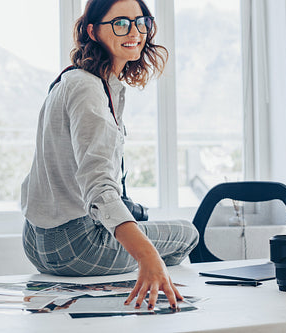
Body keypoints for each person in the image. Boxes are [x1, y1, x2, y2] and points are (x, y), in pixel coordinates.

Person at [21, 0, 199, 310]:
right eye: (120, 23)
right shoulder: (89, 88)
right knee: (187, 233)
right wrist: (147, 255)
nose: (134, 31)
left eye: (141, 21)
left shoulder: (72, 79)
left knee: (140, 223)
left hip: (35, 241)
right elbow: (99, 187)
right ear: (92, 30)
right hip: (76, 247)